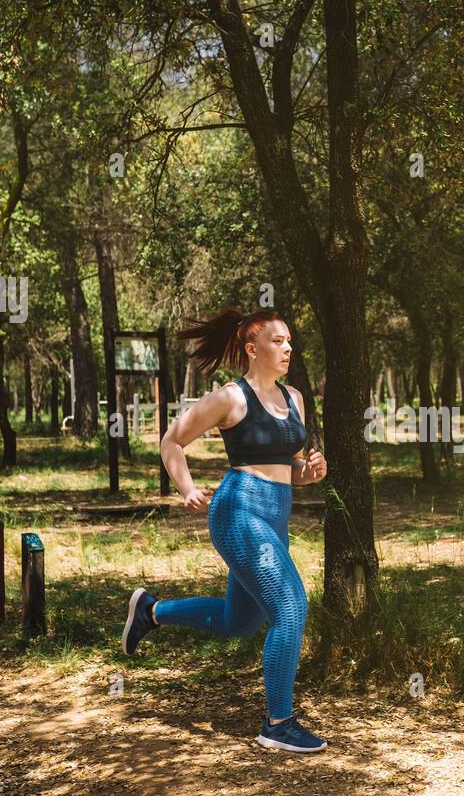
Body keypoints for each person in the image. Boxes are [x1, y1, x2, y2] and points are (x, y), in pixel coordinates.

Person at [120, 306, 329, 752]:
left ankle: (151, 612)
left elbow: (286, 465)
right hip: (239, 511)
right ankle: (277, 723)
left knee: (239, 622)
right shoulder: (230, 398)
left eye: (290, 340)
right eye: (278, 341)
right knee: (290, 607)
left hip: (275, 514)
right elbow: (171, 440)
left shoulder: (295, 397)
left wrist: (308, 472)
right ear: (253, 349)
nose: (288, 347)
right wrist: (187, 488)